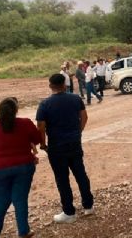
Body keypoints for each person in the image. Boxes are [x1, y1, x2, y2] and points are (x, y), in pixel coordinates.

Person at [36, 73, 94, 223]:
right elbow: (85, 117)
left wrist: (43, 144)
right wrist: (77, 132)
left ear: (50, 86)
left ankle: (69, 212)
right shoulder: (75, 98)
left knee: (62, 179)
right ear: (64, 84)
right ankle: (88, 206)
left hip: (56, 147)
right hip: (74, 143)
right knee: (80, 174)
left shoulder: (45, 104)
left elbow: (40, 126)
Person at [0, 97, 40, 238]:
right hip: (23, 167)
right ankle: (23, 232)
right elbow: (38, 138)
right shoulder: (26, 123)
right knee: (20, 199)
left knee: (0, 202)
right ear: (16, 110)